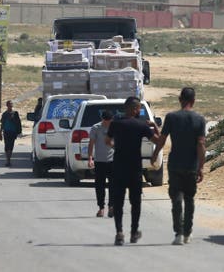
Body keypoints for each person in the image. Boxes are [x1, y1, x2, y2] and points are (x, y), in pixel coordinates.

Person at [152, 87, 207, 245]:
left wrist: (155, 154)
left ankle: (178, 233)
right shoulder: (199, 119)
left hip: (175, 164)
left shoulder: (171, 117)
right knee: (189, 199)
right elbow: (201, 145)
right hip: (191, 165)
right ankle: (187, 233)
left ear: (180, 99)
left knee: (176, 199)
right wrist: (201, 166)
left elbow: (162, 139)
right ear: (194, 101)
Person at [105, 97, 159, 245]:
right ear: (134, 109)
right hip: (134, 168)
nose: (139, 111)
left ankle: (119, 232)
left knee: (119, 202)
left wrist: (116, 147)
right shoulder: (141, 125)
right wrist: (154, 125)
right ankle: (134, 232)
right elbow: (159, 141)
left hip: (118, 168)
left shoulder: (115, 124)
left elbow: (107, 141)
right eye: (139, 108)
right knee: (135, 202)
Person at [87, 109, 115, 217]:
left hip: (113, 161)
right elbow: (91, 144)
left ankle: (111, 206)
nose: (107, 122)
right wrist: (90, 158)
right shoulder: (96, 128)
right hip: (99, 161)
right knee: (100, 186)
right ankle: (101, 208)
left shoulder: (115, 127)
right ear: (102, 119)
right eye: (106, 120)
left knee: (113, 185)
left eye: (109, 120)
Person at [0, 100, 22, 167]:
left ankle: (9, 159)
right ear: (7, 105)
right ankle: (8, 160)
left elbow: (18, 123)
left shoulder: (15, 113)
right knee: (6, 146)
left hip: (13, 132)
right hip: (6, 132)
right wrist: (0, 133)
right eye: (9, 104)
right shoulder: (4, 114)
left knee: (11, 146)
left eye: (11, 104)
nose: (10, 105)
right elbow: (2, 124)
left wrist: (19, 132)